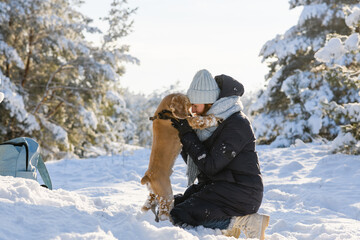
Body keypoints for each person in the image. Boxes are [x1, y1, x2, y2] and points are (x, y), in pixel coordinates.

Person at [169, 69, 269, 239]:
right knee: (174, 205)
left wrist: (188, 136)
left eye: (195, 105)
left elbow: (210, 166)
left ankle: (242, 222)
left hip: (242, 192)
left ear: (208, 102)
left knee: (181, 214)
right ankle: (228, 225)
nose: (192, 111)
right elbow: (198, 163)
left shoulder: (236, 124)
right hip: (220, 186)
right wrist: (182, 139)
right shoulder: (211, 123)